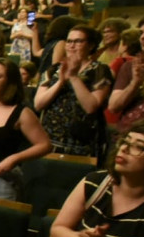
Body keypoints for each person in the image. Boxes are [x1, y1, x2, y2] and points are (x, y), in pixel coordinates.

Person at [0, 59, 51, 200]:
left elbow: (45, 145)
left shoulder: (21, 112)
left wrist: (15, 158)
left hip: (2, 180)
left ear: (10, 83)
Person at [35, 25, 113, 157]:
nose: (72, 45)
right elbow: (38, 104)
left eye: (78, 41)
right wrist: (60, 82)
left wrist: (73, 76)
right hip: (50, 139)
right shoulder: (53, 69)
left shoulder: (100, 70)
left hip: (82, 144)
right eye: (69, 41)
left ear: (90, 45)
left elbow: (91, 106)